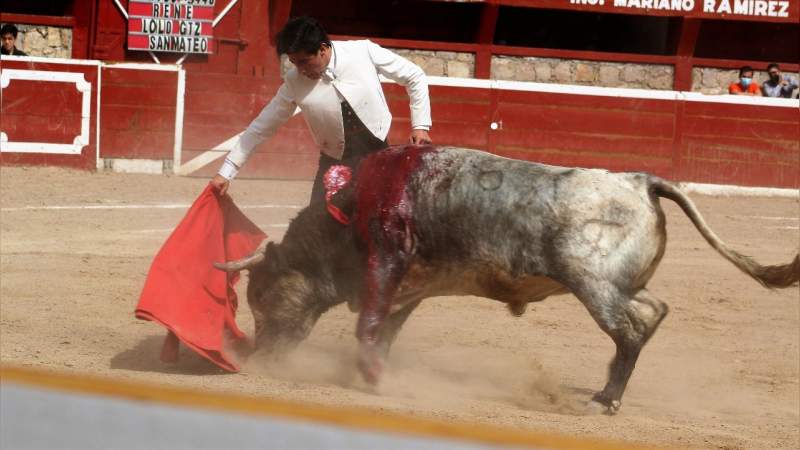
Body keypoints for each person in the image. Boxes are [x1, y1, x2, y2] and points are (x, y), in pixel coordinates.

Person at [211, 16, 432, 203]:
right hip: (333, 161)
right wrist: (226, 172)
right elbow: (262, 126)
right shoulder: (294, 82)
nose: (301, 70)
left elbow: (415, 76)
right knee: (313, 233)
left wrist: (420, 125)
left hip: (377, 154)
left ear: (323, 49)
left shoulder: (363, 51)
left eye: (305, 62)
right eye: (294, 63)